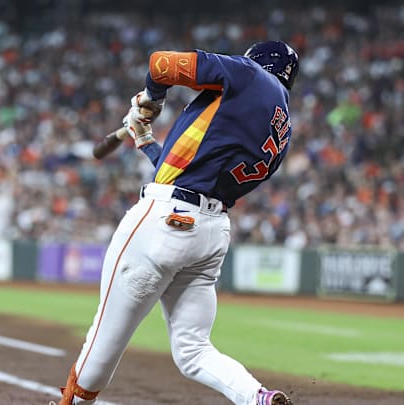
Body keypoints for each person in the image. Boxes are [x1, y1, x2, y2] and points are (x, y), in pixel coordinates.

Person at [52, 41, 299, 405]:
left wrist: (152, 99)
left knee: (101, 343)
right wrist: (146, 141)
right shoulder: (282, 128)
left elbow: (160, 64)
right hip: (210, 233)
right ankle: (257, 397)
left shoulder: (247, 74)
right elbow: (192, 172)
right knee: (194, 350)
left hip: (163, 221)